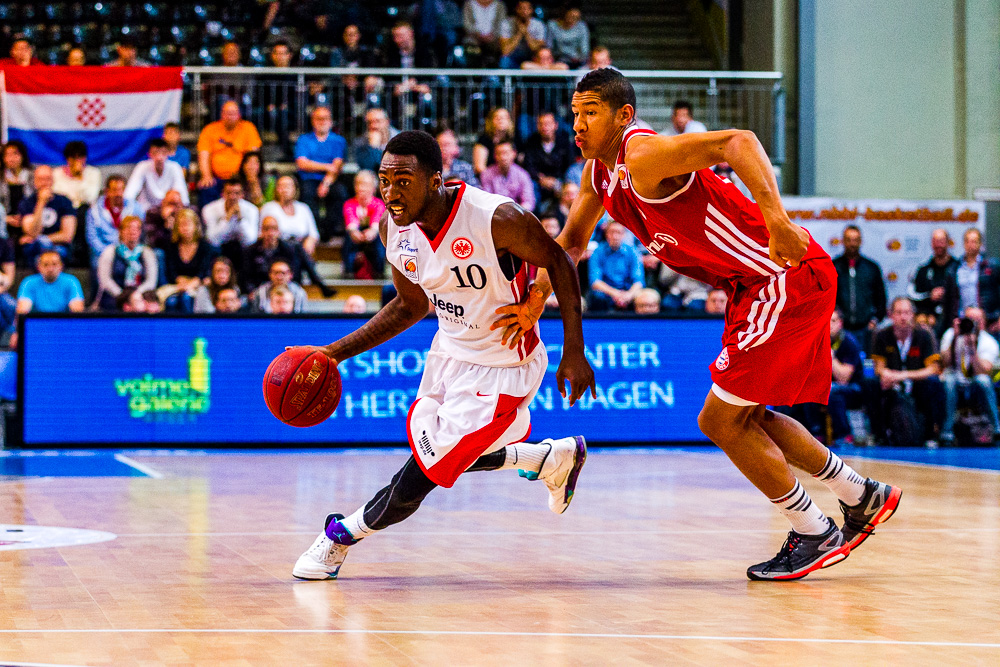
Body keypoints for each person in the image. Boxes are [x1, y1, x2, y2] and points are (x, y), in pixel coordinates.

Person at [492, 68, 902, 581]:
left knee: (719, 420)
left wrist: (775, 217)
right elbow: (571, 244)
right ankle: (861, 495)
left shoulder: (642, 157)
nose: (578, 124)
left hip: (781, 278)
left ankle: (816, 531)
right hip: (751, 287)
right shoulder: (599, 172)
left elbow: (739, 140)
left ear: (623, 116)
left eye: (590, 112)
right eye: (574, 113)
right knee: (748, 416)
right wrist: (534, 303)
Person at [291, 130, 594, 581]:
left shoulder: (496, 218)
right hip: (448, 354)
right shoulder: (392, 226)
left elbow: (560, 260)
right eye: (384, 180)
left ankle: (341, 534)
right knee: (440, 451)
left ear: (435, 180)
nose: (390, 194)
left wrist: (574, 348)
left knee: (423, 473)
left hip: (502, 366)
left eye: (403, 181)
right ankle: (547, 459)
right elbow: (411, 305)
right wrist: (333, 354)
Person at [868, 297, 944, 447]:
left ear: (913, 315)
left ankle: (931, 434)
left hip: (916, 383)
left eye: (907, 313)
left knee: (933, 384)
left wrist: (903, 375)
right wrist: (887, 375)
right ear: (891, 315)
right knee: (870, 384)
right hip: (891, 384)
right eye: (899, 313)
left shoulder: (924, 335)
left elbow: (933, 369)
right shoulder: (882, 335)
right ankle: (878, 434)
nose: (903, 317)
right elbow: (879, 367)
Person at [939, 306, 1000, 445]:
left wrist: (973, 350)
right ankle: (947, 432)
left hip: (975, 384)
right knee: (949, 381)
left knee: (983, 381)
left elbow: (984, 371)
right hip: (954, 382)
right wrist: (955, 339)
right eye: (969, 319)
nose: (972, 323)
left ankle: (997, 428)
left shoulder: (988, 341)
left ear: (983, 322)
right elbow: (944, 363)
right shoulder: (951, 334)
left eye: (977, 320)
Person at [832, 225, 887, 354]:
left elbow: (881, 298)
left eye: (855, 240)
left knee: (864, 367)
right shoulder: (833, 267)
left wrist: (875, 319)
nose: (852, 244)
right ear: (843, 241)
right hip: (839, 330)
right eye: (849, 240)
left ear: (861, 241)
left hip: (865, 329)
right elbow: (827, 297)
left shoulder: (871, 267)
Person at [295, 106, 348, 240]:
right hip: (307, 179)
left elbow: (336, 167)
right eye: (318, 118)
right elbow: (302, 163)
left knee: (340, 193)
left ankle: (328, 232)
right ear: (313, 121)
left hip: (330, 180)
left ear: (331, 122)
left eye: (325, 118)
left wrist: (325, 183)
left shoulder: (338, 141)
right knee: (306, 193)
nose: (322, 121)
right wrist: (327, 166)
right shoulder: (304, 139)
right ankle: (314, 230)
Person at [197, 101, 263, 204]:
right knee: (206, 187)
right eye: (227, 113)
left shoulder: (248, 128)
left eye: (233, 114)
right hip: (217, 178)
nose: (230, 116)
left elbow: (253, 157)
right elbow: (204, 155)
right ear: (221, 114)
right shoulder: (210, 129)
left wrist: (250, 177)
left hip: (241, 178)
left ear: (239, 115)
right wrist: (206, 175)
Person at [16, 166, 77, 266]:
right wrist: (41, 203)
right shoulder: (27, 203)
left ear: (53, 181)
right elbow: (33, 232)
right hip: (36, 249)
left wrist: (41, 239)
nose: (44, 183)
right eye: (40, 179)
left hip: (59, 247)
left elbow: (67, 235)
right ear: (34, 182)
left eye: (47, 179)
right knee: (34, 250)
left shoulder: (65, 202)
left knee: (51, 256)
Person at [95, 216, 158, 311]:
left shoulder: (147, 253)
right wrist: (123, 296)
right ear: (121, 231)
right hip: (115, 294)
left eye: (136, 228)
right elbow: (105, 280)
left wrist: (136, 295)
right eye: (128, 228)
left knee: (150, 306)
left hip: (141, 293)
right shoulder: (110, 251)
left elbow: (151, 281)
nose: (132, 231)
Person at [162, 209, 219, 312]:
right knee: (171, 301)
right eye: (182, 225)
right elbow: (171, 271)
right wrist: (181, 282)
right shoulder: (171, 246)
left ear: (196, 226)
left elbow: (203, 272)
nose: (185, 228)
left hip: (199, 286)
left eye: (188, 224)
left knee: (186, 298)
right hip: (177, 285)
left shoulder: (205, 247)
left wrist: (191, 284)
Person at [944, 228, 1000, 328]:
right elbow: (948, 300)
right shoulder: (954, 269)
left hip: (987, 320)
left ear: (980, 244)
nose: (970, 245)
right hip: (961, 321)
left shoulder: (991, 266)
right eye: (967, 241)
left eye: (974, 241)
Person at [86, 175, 142, 272]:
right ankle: (102, 287)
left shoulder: (135, 207)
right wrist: (109, 253)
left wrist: (126, 251)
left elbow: (141, 232)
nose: (118, 194)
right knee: (96, 261)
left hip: (130, 250)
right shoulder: (94, 210)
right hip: (103, 251)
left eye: (121, 190)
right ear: (107, 191)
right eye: (114, 190)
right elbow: (92, 237)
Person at [908, 228, 959, 335]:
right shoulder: (923, 270)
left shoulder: (958, 268)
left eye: (941, 241)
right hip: (929, 320)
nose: (938, 245)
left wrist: (947, 293)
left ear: (948, 242)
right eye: (935, 241)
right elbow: (915, 297)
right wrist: (929, 296)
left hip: (953, 320)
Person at [521, 111, 576, 206]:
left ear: (556, 125)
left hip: (560, 180)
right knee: (530, 187)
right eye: (541, 124)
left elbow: (569, 165)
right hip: (538, 181)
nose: (544, 127)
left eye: (548, 124)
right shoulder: (531, 142)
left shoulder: (564, 142)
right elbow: (528, 165)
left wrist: (556, 181)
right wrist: (540, 178)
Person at [587, 221, 643, 311]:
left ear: (624, 235)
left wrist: (628, 295)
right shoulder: (597, 252)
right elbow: (595, 282)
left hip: (627, 293)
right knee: (596, 297)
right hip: (606, 293)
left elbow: (638, 281)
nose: (615, 236)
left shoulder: (633, 251)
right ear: (606, 234)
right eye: (612, 232)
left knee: (644, 298)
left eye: (619, 232)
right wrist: (615, 294)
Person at [260, 176, 321, 258]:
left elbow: (314, 233)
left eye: (288, 186)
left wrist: (310, 242)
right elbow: (261, 233)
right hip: (277, 252)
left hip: (300, 251)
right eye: (281, 186)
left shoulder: (303, 208)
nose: (285, 189)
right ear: (276, 189)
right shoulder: (269, 208)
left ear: (295, 189)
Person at [201, 179, 260, 264]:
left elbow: (250, 240)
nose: (232, 197)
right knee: (211, 249)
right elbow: (212, 240)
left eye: (236, 193)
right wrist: (227, 219)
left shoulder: (251, 210)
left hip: (242, 251)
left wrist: (241, 220)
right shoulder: (209, 209)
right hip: (220, 250)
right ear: (222, 193)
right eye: (229, 193)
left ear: (242, 195)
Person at [124, 139, 189, 214]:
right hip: (146, 211)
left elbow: (182, 195)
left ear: (168, 153)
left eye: (163, 153)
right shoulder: (142, 166)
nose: (159, 157)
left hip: (169, 210)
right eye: (155, 153)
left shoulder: (175, 167)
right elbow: (130, 193)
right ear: (149, 154)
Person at [342, 171, 387, 279]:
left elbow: (376, 222)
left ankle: (379, 272)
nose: (361, 188)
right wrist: (354, 232)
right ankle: (349, 271)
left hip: (373, 236)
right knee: (349, 238)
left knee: (380, 239)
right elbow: (351, 222)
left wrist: (372, 232)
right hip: (356, 236)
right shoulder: (349, 203)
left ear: (373, 188)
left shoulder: (379, 204)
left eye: (366, 184)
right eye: (359, 184)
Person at [16, 250, 84, 314]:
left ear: (61, 266)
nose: (50, 269)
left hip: (63, 323)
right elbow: (22, 311)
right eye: (46, 265)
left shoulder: (71, 282)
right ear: (38, 267)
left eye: (54, 264)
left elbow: (77, 311)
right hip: (38, 323)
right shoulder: (29, 283)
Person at [480, 141, 535, 211]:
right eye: (499, 154)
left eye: (506, 153)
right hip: (494, 213)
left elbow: (529, 202)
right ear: (494, 156)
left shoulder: (522, 175)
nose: (503, 157)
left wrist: (516, 213)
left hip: (517, 214)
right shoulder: (486, 174)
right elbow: (486, 200)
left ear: (514, 153)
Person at [51, 141, 101, 212]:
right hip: (63, 210)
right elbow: (58, 194)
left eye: (80, 157)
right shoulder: (56, 173)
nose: (77, 161)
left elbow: (90, 197)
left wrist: (79, 177)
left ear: (85, 158)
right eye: (73, 158)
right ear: (67, 159)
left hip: (86, 211)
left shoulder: (94, 173)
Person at [499, 0, 545, 68]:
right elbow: (505, 51)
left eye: (526, 8)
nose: (524, 11)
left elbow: (537, 50)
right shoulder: (507, 24)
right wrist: (519, 33)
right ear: (516, 9)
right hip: (513, 57)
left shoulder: (538, 25)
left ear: (531, 10)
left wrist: (526, 33)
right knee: (504, 60)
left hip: (532, 58)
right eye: (521, 8)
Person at [353, 108, 398, 173]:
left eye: (378, 121)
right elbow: (366, 168)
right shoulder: (361, 142)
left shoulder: (399, 139)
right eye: (369, 122)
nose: (374, 126)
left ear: (387, 122)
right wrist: (372, 147)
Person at [463, 0, 507, 66]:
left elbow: (501, 23)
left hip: (494, 39)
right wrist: (478, 35)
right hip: (474, 38)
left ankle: (493, 70)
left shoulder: (499, 5)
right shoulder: (469, 4)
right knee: (470, 47)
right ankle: (473, 70)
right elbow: (467, 24)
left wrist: (492, 35)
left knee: (501, 45)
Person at [473, 107, 514, 176]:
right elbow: (479, 167)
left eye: (504, 118)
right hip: (488, 179)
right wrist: (494, 179)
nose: (501, 120)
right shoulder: (484, 140)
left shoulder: (512, 139)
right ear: (491, 121)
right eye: (498, 118)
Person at [1, 140, 33, 229]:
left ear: (23, 156)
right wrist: (5, 218)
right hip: (4, 221)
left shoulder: (32, 176)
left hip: (29, 220)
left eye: (15, 154)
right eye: (7, 155)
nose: (11, 158)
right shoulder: (1, 178)